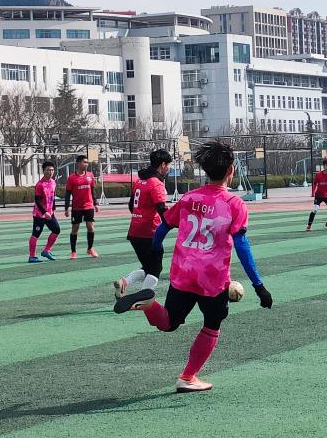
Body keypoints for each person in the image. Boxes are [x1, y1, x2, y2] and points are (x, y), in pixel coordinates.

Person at [113, 141, 273, 393]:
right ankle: (188, 377)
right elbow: (242, 246)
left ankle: (149, 304)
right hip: (212, 279)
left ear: (206, 171)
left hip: (183, 273)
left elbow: (163, 226)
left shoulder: (189, 198)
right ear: (230, 170)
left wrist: (155, 247)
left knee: (168, 322)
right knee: (212, 324)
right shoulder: (234, 204)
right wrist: (259, 286)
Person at [114, 149, 173, 300]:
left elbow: (131, 206)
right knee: (155, 269)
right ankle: (143, 299)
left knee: (148, 267)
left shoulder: (139, 181)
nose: (168, 168)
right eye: (168, 165)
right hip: (149, 232)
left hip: (134, 231)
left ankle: (124, 282)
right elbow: (161, 209)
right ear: (163, 164)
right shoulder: (156, 183)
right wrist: (172, 222)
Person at [64, 154, 99, 259]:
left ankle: (90, 248)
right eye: (84, 162)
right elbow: (68, 194)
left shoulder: (90, 175)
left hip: (89, 206)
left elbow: (93, 190)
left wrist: (95, 203)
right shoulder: (72, 177)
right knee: (75, 228)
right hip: (77, 208)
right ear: (78, 163)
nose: (86, 164)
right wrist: (66, 208)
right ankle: (73, 251)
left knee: (90, 227)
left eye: (87, 162)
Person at [28, 161, 61, 262]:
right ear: (43, 171)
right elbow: (37, 201)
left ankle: (46, 251)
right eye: (48, 170)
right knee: (36, 234)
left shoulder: (53, 182)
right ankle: (32, 256)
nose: (50, 172)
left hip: (50, 213)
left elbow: (52, 195)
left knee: (56, 230)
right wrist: (44, 212)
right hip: (39, 214)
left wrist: (53, 207)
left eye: (52, 170)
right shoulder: (40, 185)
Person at [306, 157, 327, 231]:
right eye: (326, 165)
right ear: (323, 166)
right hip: (318, 195)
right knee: (315, 209)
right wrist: (313, 192)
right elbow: (314, 184)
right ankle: (309, 225)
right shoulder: (318, 174)